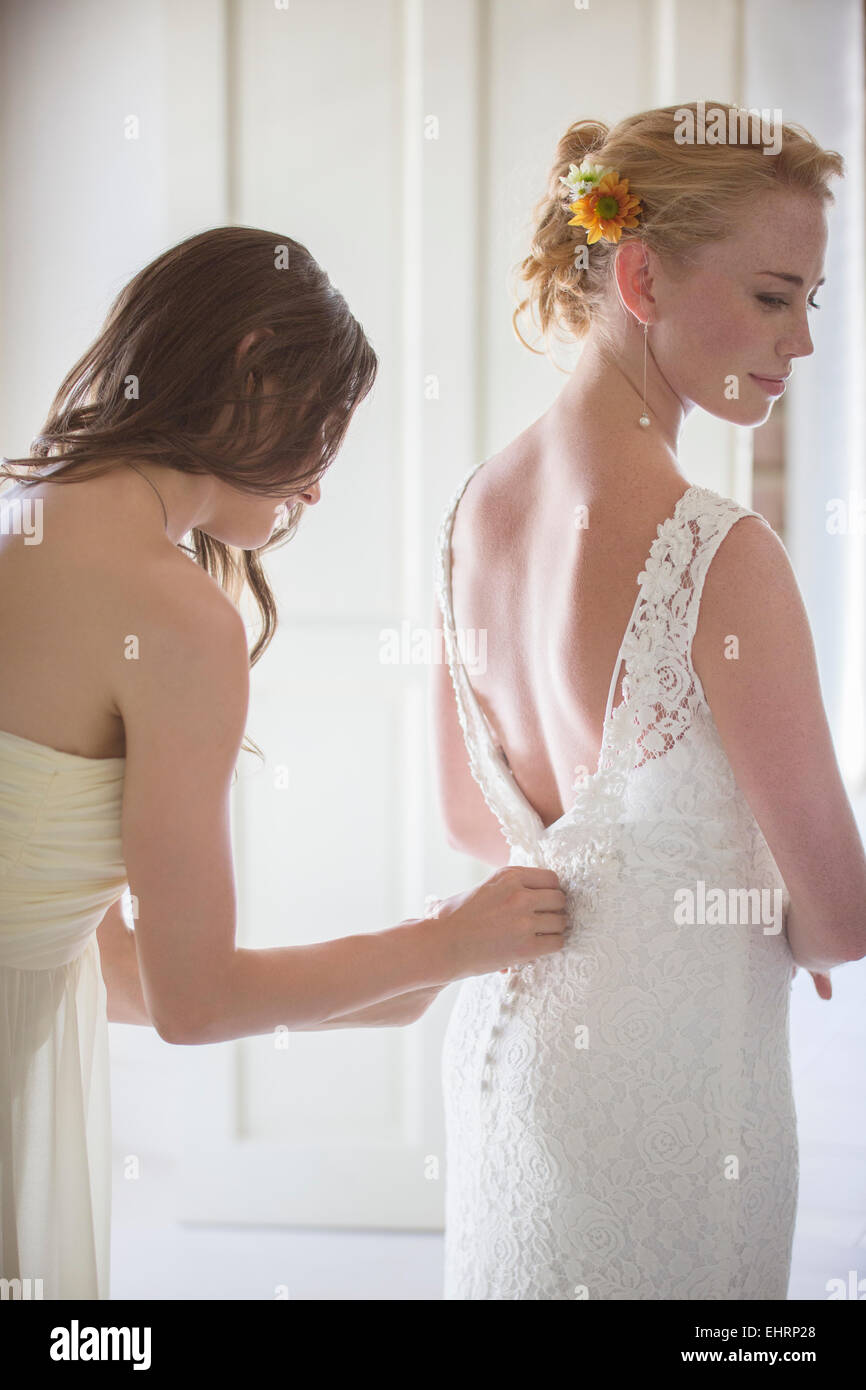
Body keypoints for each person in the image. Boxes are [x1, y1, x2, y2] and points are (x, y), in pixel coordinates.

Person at [0, 225, 569, 1299]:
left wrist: (411, 972)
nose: (313, 490)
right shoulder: (173, 615)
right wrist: (438, 939)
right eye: (326, 431)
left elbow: (100, 965)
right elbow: (196, 1002)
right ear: (254, 366)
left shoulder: (23, 520)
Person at [432, 102, 866, 1300]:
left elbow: (478, 826)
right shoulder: (721, 554)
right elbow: (839, 918)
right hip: (672, 1103)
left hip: (506, 1069)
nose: (803, 344)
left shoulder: (472, 512)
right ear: (638, 275)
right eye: (774, 296)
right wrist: (730, 899)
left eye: (810, 304)